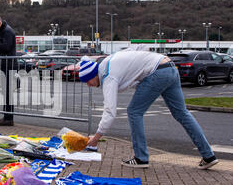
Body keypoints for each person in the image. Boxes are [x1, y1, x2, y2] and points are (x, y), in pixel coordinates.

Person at [78, 50, 219, 170]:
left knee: (134, 112)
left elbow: (110, 111)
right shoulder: (108, 63)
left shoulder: (108, 75)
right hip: (170, 67)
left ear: (93, 75)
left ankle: (141, 158)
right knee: (182, 113)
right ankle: (208, 155)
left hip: (156, 72)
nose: (88, 86)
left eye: (87, 82)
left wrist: (96, 138)